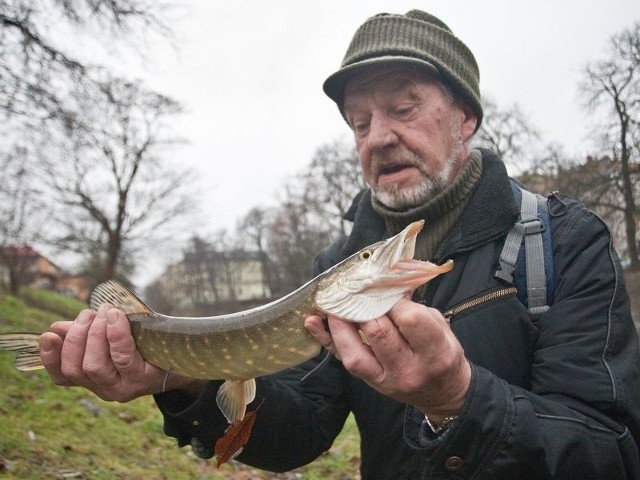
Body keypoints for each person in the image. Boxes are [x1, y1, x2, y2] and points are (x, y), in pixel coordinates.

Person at [37, 9, 640, 479]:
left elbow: (613, 454)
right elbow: (301, 428)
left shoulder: (564, 240)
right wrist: (182, 381)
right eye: (358, 122)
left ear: (466, 117)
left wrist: (461, 399)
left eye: (403, 107)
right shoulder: (335, 267)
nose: (378, 137)